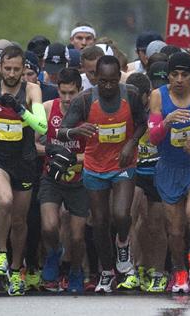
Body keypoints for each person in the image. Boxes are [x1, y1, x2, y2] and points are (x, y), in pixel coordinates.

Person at [55, 53, 146, 293]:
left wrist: (131, 143)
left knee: (121, 214)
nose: (107, 86)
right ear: (95, 78)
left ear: (119, 78)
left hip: (123, 163)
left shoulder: (131, 95)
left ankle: (123, 242)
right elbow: (61, 131)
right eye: (102, 81)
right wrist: (76, 130)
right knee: (99, 223)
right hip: (95, 167)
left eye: (112, 81)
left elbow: (142, 123)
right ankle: (106, 271)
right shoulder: (84, 100)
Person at [0, 45, 47, 295]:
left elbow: (42, 127)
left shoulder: (31, 90)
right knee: (4, 200)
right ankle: (2, 254)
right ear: (0, 67)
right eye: (7, 68)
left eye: (17, 69)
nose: (12, 73)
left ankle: (16, 270)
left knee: (19, 220)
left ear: (24, 68)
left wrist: (20, 109)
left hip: (24, 161)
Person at [148, 50, 190, 292]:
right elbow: (153, 138)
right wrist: (167, 122)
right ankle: (179, 271)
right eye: (174, 74)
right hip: (169, 167)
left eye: (184, 74)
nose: (178, 79)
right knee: (175, 229)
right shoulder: (158, 96)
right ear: (168, 76)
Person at [38, 67, 88, 292]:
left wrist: (72, 156)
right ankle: (52, 253)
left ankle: (76, 270)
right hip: (52, 176)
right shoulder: (48, 108)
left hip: (80, 180)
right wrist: (51, 151)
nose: (67, 98)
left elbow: (100, 151)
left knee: (77, 237)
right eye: (63, 92)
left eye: (72, 93)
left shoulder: (90, 113)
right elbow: (33, 144)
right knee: (49, 226)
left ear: (81, 90)